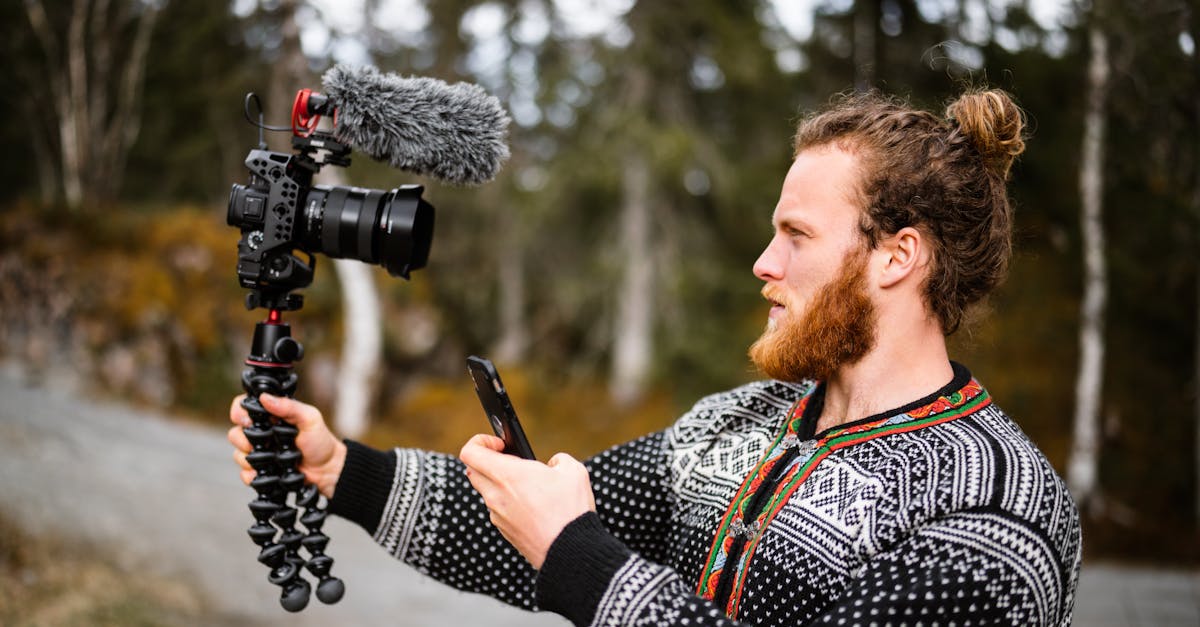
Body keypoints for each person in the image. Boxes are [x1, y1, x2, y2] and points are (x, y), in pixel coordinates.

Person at [229, 88, 1081, 626]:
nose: (764, 263)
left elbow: (572, 546)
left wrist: (577, 553)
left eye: (796, 234)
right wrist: (343, 470)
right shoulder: (735, 425)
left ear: (898, 255)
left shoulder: (1001, 510)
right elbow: (543, 527)